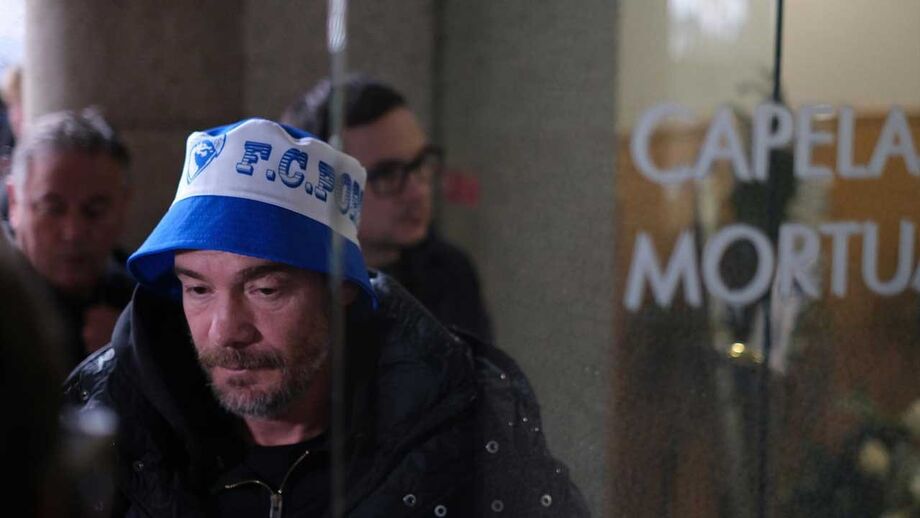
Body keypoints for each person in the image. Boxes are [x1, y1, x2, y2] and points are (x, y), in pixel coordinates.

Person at [63, 118, 588, 516]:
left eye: (265, 289)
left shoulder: (461, 417)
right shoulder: (108, 413)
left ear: (341, 289)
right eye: (198, 289)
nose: (225, 330)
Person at [281, 76, 493, 342]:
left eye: (420, 163)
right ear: (320, 186)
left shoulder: (449, 271)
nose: (418, 191)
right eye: (387, 174)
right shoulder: (288, 292)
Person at [6, 109, 135, 369]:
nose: (73, 232)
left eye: (94, 211)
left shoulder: (145, 308)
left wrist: (135, 359)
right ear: (13, 203)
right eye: (52, 209)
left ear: (123, 206)